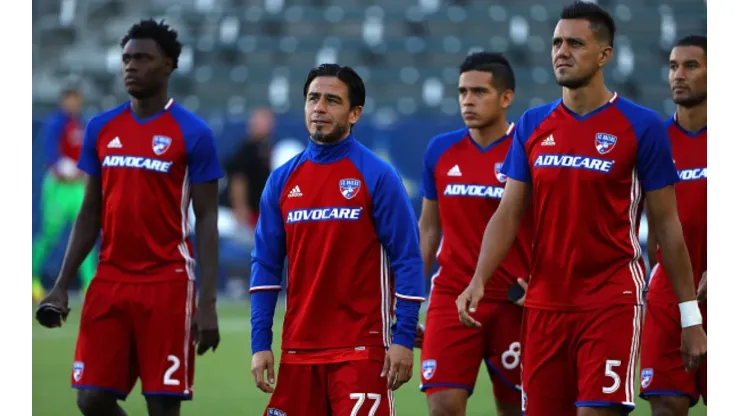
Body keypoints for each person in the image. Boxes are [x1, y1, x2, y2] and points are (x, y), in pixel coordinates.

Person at [455, 2, 707, 415]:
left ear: (605, 55)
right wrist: (478, 278)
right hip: (544, 306)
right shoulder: (533, 125)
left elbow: (668, 226)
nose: (562, 51)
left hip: (612, 300)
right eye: (556, 42)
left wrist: (688, 315)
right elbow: (508, 211)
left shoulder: (641, 126)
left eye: (575, 43)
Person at [35, 19, 222, 416]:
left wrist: (207, 302)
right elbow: (89, 213)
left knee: (162, 406)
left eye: (142, 58)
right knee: (91, 398)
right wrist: (62, 283)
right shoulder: (102, 128)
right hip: (110, 279)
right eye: (125, 58)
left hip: (168, 281)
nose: (130, 66)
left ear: (169, 64)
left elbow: (206, 219)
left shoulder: (194, 133)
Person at [249, 63, 425, 416]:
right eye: (313, 98)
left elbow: (407, 259)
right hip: (298, 352)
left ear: (355, 113)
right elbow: (265, 266)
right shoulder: (282, 181)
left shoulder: (378, 175)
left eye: (332, 100)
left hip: (362, 350)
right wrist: (260, 343)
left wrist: (403, 338)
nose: (319, 108)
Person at [417, 52, 530, 416]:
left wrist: (544, 281)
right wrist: (408, 299)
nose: (468, 100)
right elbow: (429, 228)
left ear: (506, 97)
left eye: (479, 91)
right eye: (463, 91)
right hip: (452, 295)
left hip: (514, 299)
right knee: (443, 405)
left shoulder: (528, 148)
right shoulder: (440, 149)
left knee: (518, 408)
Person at [640, 34, 708, 415]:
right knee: (665, 402)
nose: (678, 75)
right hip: (668, 290)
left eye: (691, 66)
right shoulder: (653, 140)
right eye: (672, 67)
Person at [32, 86, 97, 302]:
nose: (72, 103)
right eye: (69, 99)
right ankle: (31, 279)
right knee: (49, 236)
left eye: (76, 99)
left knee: (86, 234)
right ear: (63, 101)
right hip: (58, 187)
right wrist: (62, 168)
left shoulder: (83, 123)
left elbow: (89, 152)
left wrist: (82, 171)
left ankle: (91, 284)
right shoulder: (54, 123)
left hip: (78, 186)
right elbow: (51, 154)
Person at [226, 107, 275, 229]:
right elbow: (238, 179)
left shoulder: (264, 149)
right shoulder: (246, 150)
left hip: (260, 210)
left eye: (268, 121)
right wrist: (240, 207)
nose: (267, 125)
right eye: (262, 121)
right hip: (249, 213)